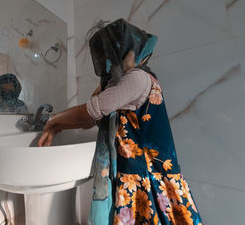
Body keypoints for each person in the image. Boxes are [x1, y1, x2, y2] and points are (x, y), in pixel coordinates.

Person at [38, 19, 203, 225]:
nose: (106, 60)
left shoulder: (138, 78)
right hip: (140, 172)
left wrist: (53, 120)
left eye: (109, 53)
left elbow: (91, 112)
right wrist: (58, 126)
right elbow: (93, 117)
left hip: (149, 175)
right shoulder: (124, 82)